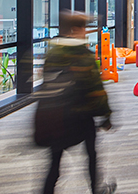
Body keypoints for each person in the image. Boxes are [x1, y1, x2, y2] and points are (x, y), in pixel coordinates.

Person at [35, 12, 116, 194]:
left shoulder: (53, 52)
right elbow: (95, 88)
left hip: (54, 117)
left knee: (55, 162)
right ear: (74, 30)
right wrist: (106, 115)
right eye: (83, 28)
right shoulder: (82, 55)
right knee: (91, 155)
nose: (85, 32)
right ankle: (96, 189)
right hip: (80, 116)